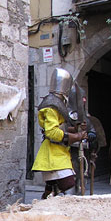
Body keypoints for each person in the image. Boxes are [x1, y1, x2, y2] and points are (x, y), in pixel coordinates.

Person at [32, 68, 87, 199]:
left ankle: (48, 203)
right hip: (53, 153)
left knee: (54, 187)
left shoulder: (56, 104)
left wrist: (74, 129)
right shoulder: (51, 106)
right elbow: (52, 132)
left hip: (59, 151)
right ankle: (48, 202)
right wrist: (76, 137)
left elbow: (60, 127)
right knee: (68, 185)